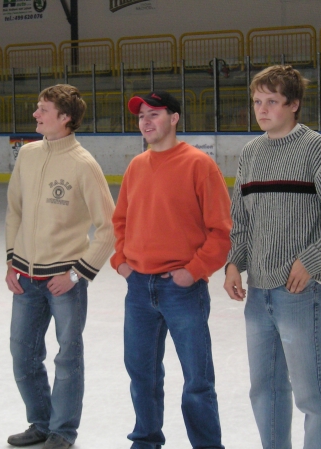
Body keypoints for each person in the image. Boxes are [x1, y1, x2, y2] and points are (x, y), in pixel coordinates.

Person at [223, 65, 321, 449]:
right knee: (265, 390)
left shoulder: (318, 150)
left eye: (272, 101)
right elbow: (241, 219)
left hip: (301, 293)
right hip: (258, 294)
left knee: (312, 393)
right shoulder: (251, 154)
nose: (262, 109)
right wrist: (234, 263)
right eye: (257, 101)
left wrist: (313, 260)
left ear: (294, 104)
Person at [110, 91, 232, 449]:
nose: (146, 122)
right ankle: (146, 440)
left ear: (174, 118)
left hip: (182, 290)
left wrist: (193, 271)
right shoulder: (137, 166)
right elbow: (120, 221)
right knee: (141, 375)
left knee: (197, 380)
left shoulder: (198, 165)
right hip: (138, 289)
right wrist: (121, 262)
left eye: (155, 114)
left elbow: (221, 231)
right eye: (141, 116)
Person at [5, 84, 115, 449]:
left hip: (64, 281)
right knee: (23, 355)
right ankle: (40, 422)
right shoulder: (27, 155)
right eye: (37, 108)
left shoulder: (84, 164)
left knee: (67, 358)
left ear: (65, 117)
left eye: (43, 109)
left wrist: (77, 273)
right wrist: (11, 260)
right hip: (25, 278)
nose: (35, 114)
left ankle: (63, 431)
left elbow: (110, 227)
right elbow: (14, 211)